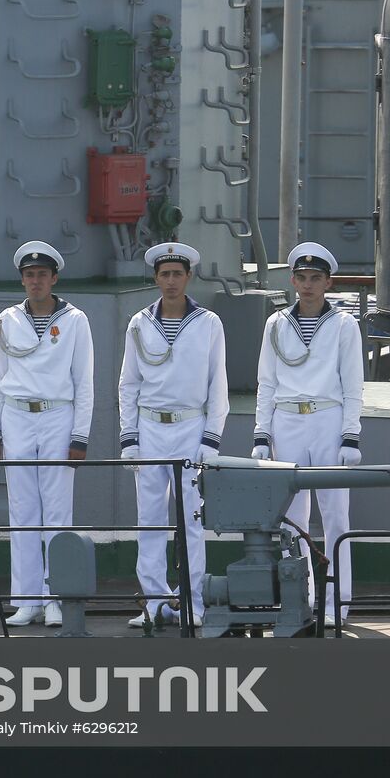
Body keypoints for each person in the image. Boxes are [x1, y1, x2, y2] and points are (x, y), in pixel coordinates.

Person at [251, 242, 364, 628]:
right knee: (291, 520)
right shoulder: (276, 323)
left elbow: (352, 384)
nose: (308, 285)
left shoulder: (344, 325)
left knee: (336, 516)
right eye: (302, 277)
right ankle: (299, 600)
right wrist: (261, 433)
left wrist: (350, 434)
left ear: (328, 282)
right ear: (293, 280)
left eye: (316, 278)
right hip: (287, 421)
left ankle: (337, 602)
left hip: (327, 419)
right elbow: (266, 383)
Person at [118, 242, 228, 628]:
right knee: (148, 521)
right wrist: (129, 438)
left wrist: (210, 439)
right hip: (150, 428)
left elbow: (218, 385)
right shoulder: (139, 323)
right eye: (164, 274)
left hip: (190, 428)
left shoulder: (208, 323)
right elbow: (129, 384)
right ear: (155, 278)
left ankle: (192, 603)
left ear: (188, 277)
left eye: (177, 274)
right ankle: (153, 602)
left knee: (191, 523)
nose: (170, 281)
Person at [0, 241, 94, 627]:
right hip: (16, 417)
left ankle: (56, 598)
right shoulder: (8, 319)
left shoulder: (75, 320)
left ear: (54, 279)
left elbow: (84, 382)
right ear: (22, 280)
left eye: (42, 275)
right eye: (29, 275)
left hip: (57, 416)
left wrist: (79, 437)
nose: (36, 281)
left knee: (58, 512)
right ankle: (27, 599)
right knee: (22, 510)